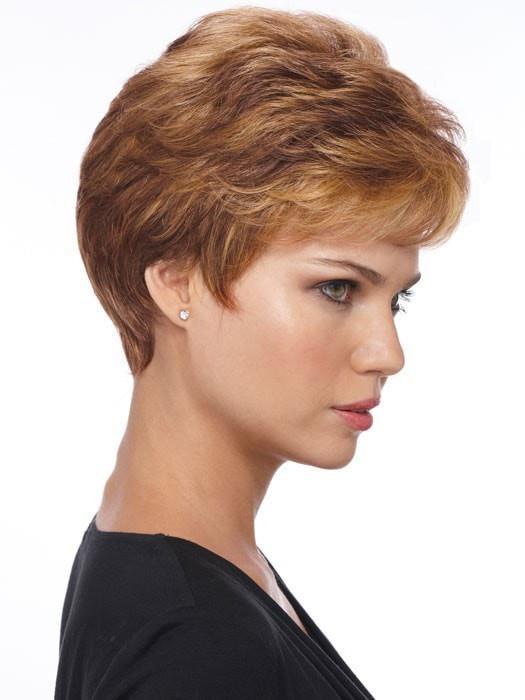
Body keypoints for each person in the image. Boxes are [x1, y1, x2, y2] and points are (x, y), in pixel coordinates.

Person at [54, 6, 470, 698]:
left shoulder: (172, 558)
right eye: (337, 288)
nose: (387, 353)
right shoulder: (193, 648)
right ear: (177, 281)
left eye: (396, 300)